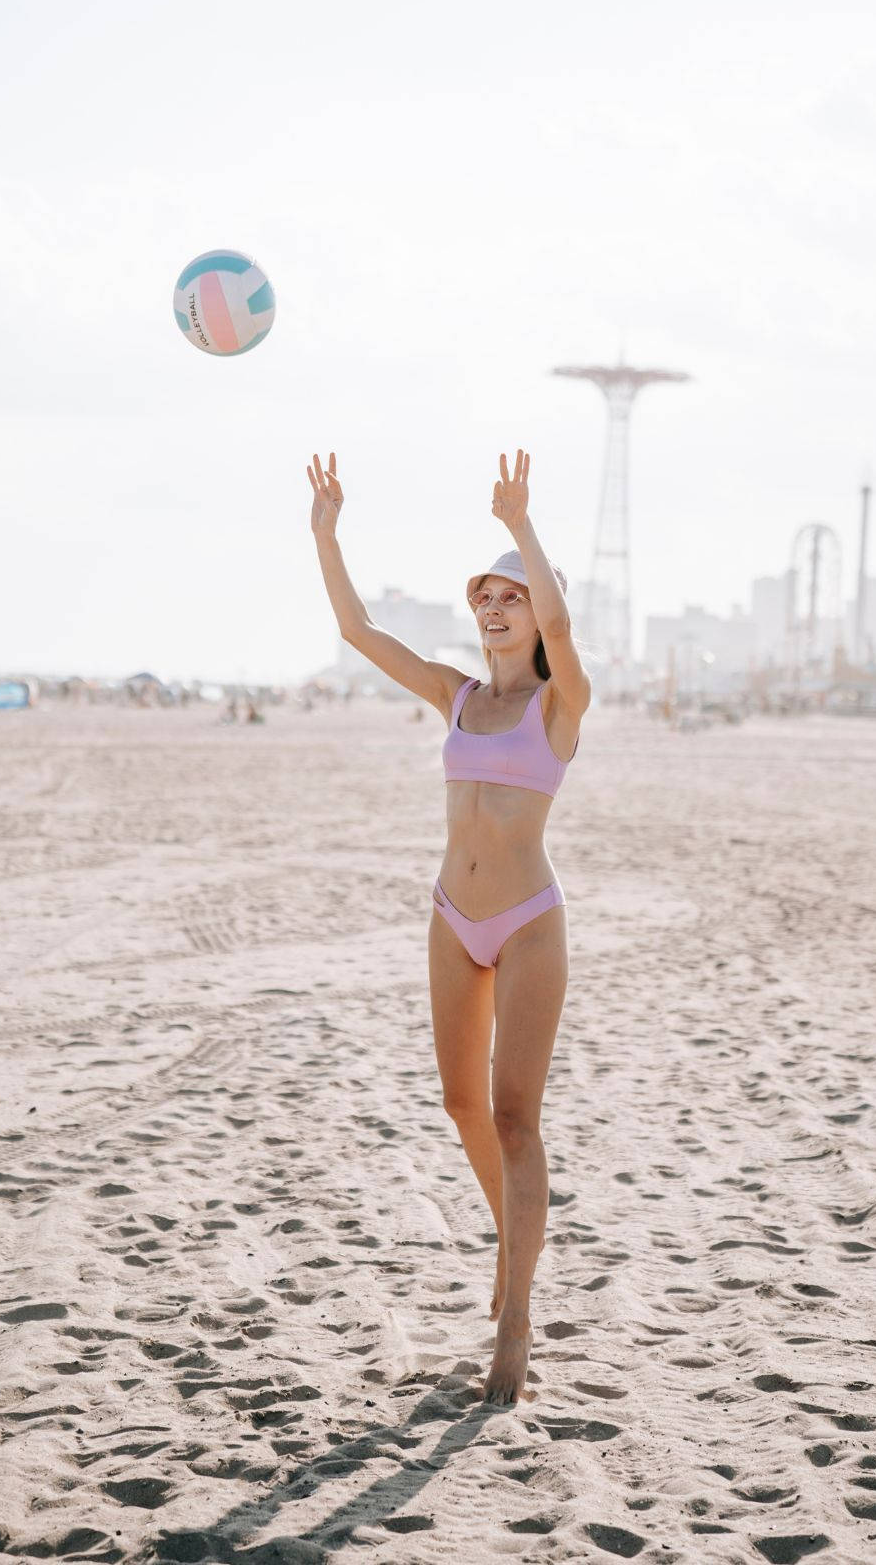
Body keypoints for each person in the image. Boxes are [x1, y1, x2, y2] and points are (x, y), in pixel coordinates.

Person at [307, 447, 591, 1406]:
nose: (495, 608)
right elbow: (357, 631)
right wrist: (326, 535)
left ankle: (515, 1314)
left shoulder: (561, 704)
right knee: (462, 1108)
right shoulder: (457, 696)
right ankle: (516, 1251)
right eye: (484, 597)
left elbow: (558, 619)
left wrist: (520, 528)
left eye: (508, 595)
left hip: (527, 923)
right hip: (449, 915)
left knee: (516, 1120)